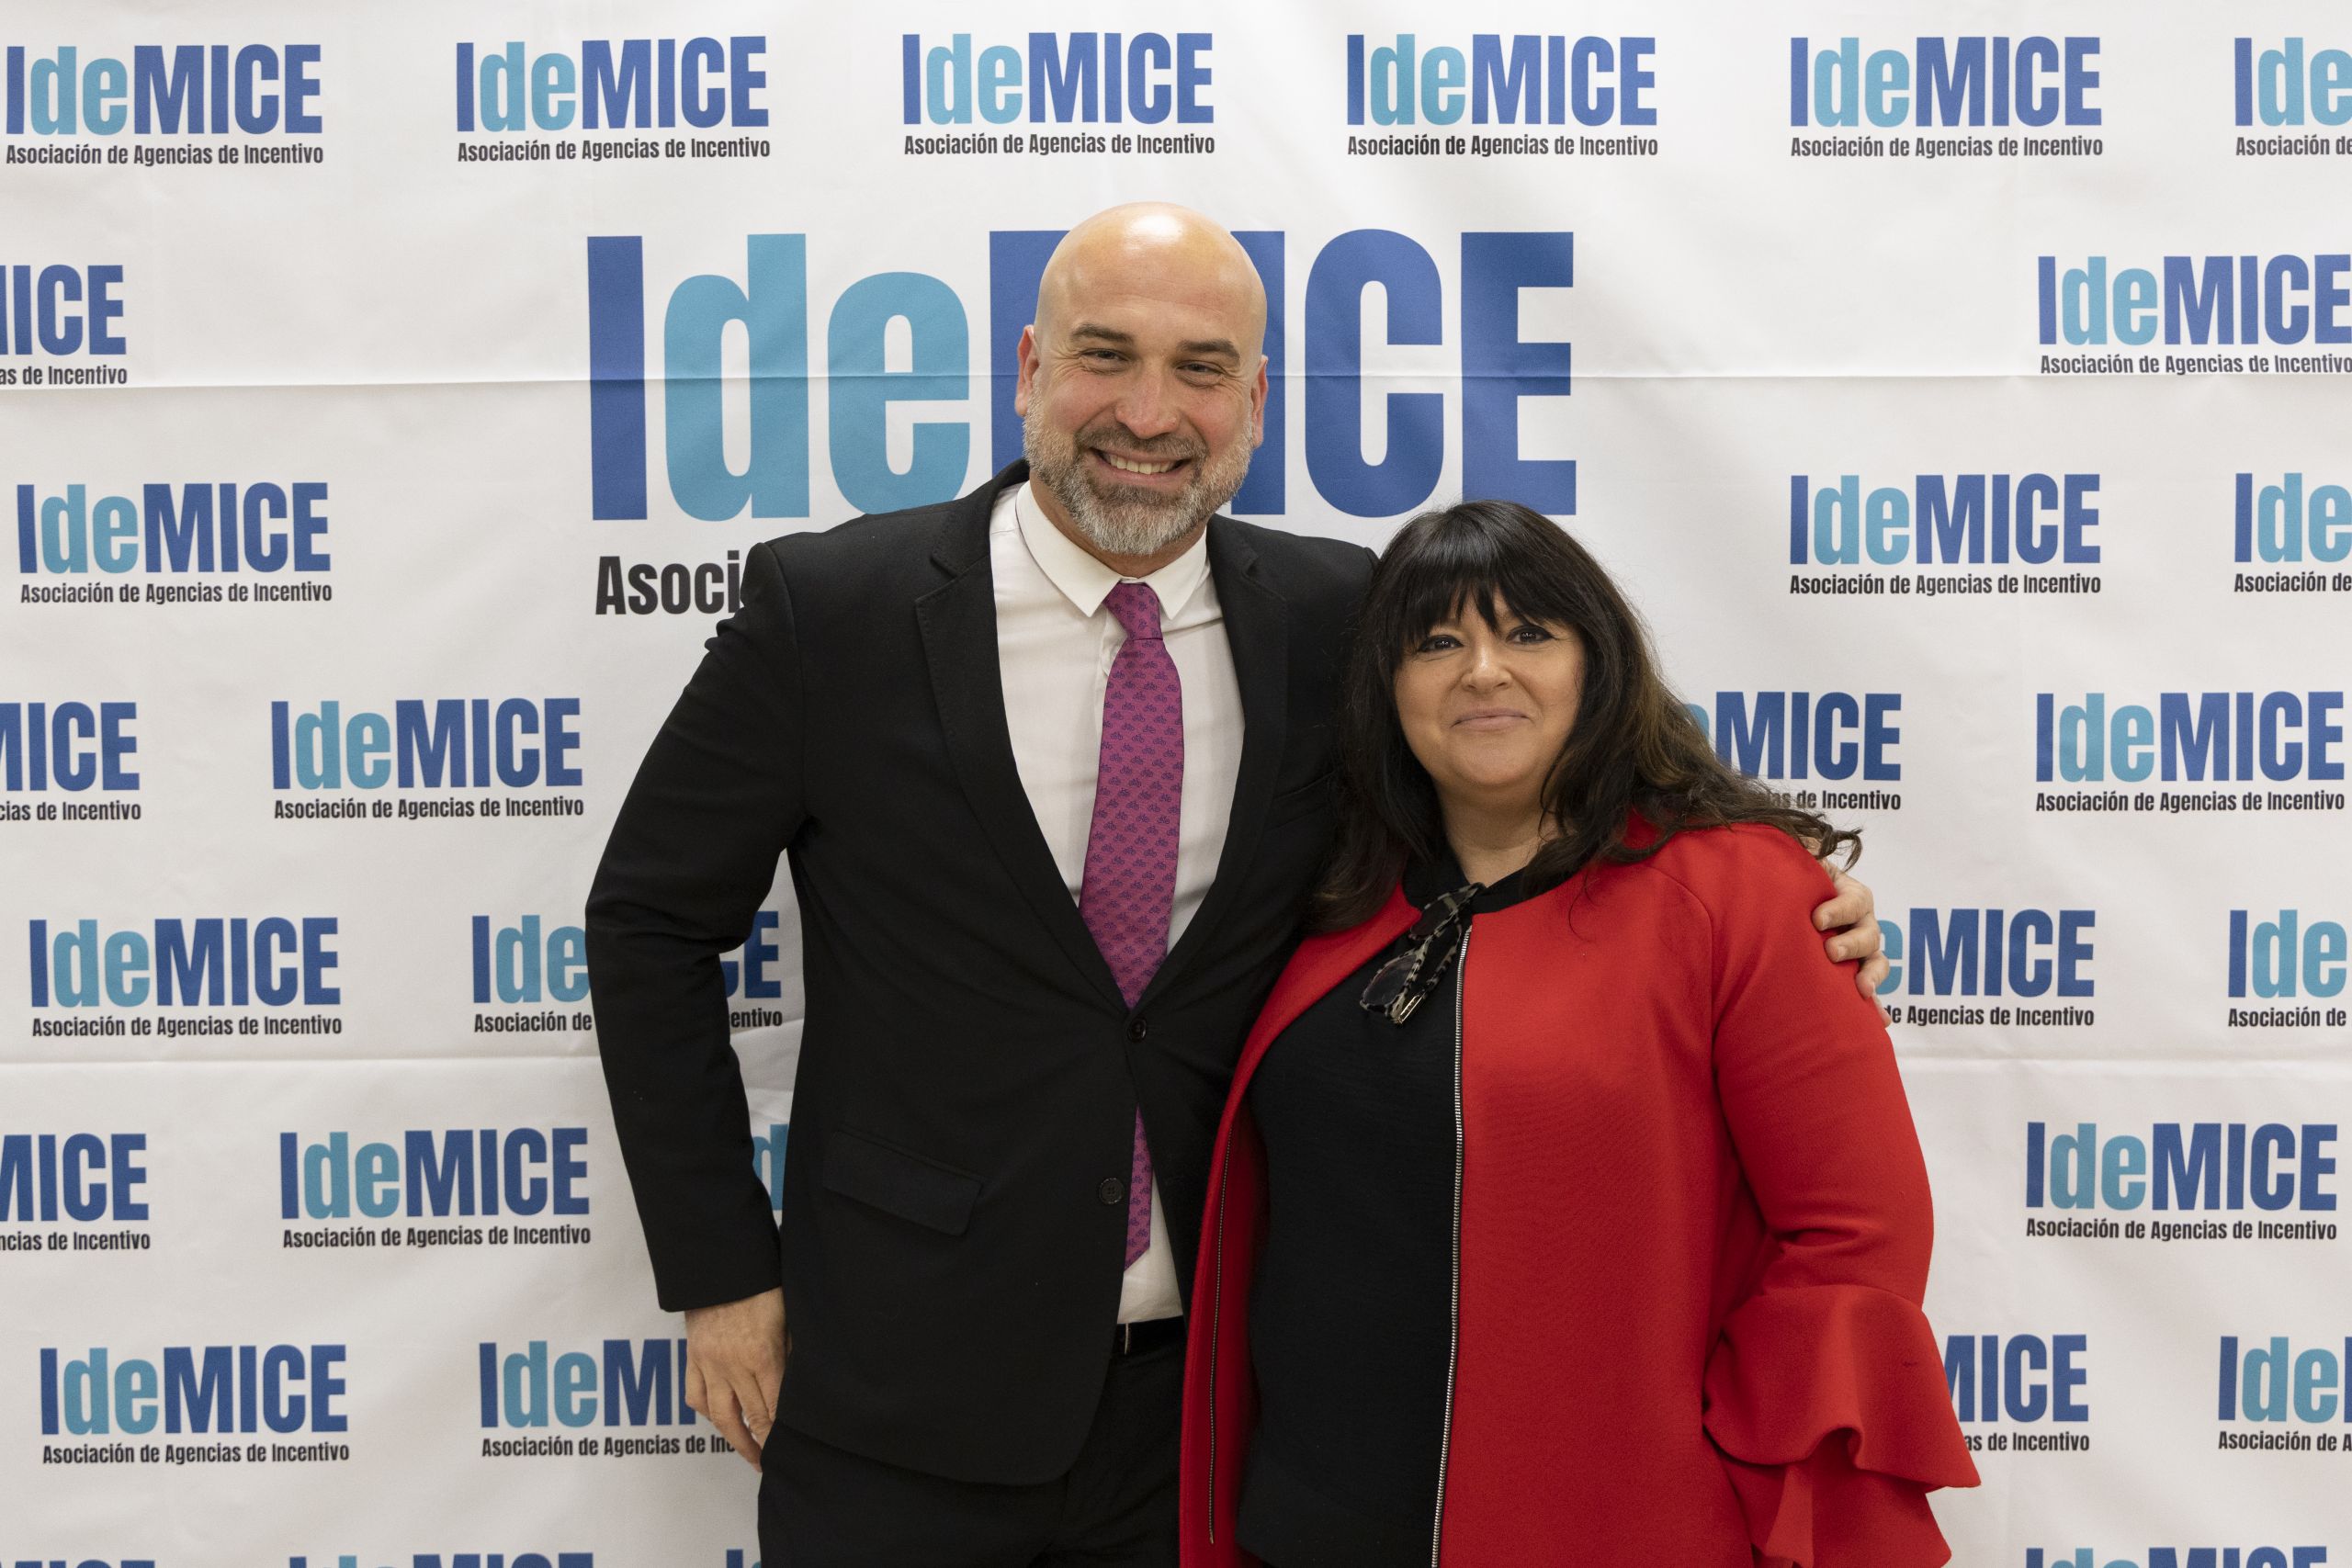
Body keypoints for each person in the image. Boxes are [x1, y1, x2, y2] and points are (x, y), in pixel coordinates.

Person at [586, 207, 1889, 1567]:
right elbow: (647, 924)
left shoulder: (1336, 618)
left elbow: (1508, 794)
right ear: (1029, 367)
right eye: (1106, 355)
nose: (1150, 413)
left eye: (1200, 369)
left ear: (1255, 403)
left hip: (1216, 1408)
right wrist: (722, 1272)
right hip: (897, 1389)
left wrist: (1773, 895)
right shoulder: (833, 608)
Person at [1178, 501, 1978, 1568]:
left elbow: (1855, 1234)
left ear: (1596, 665)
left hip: (1611, 1528)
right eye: (1436, 643)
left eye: (1527, 633)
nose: (1483, 672)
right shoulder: (1327, 895)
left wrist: (1722, 1466)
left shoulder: (1736, 891)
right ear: (1386, 688)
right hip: (1306, 1525)